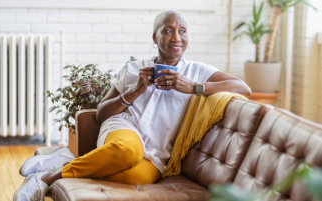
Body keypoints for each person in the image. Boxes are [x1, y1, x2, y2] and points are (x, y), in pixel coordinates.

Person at [14, 9, 251, 201]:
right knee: (129, 150)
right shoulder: (133, 69)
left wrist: (194, 87)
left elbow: (243, 87)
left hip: (157, 153)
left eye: (182, 31)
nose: (177, 37)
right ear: (155, 38)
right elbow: (101, 114)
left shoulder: (197, 71)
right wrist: (135, 90)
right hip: (125, 129)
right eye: (168, 31)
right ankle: (45, 178)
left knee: (132, 176)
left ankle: (65, 161)